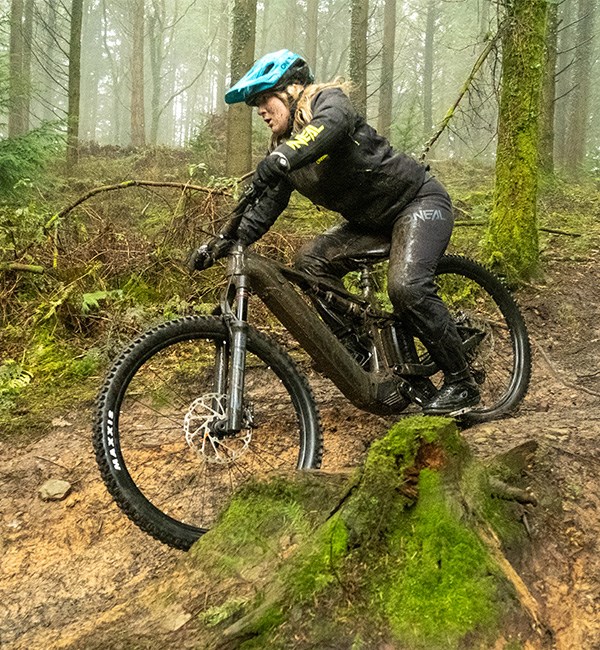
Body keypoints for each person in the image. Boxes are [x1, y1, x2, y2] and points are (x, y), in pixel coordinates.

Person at [191, 49, 480, 415]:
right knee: (309, 261)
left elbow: (331, 126)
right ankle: (357, 347)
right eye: (255, 105)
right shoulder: (284, 150)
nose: (261, 111)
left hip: (418, 203)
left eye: (264, 100)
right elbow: (264, 209)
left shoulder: (328, 103)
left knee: (407, 287)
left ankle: (462, 383)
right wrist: (225, 241)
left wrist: (281, 159)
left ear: (292, 89)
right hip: (368, 225)